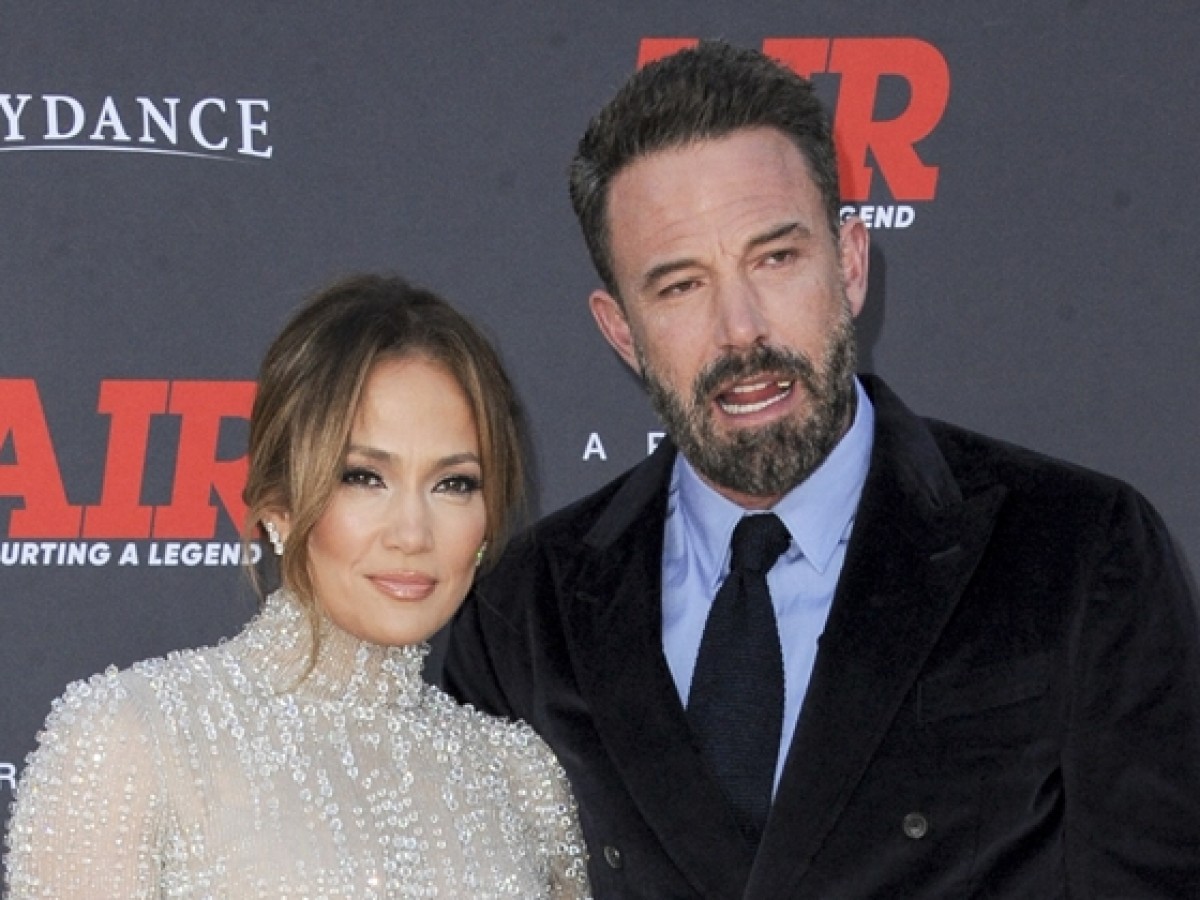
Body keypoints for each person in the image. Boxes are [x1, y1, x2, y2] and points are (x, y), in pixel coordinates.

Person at [443, 41, 1200, 898]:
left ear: (850, 263)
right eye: (681, 286)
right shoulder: (523, 615)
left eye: (776, 258)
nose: (741, 330)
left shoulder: (1076, 552)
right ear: (622, 331)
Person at [5, 275, 592, 898]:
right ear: (277, 505)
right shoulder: (133, 738)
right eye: (363, 477)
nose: (412, 533)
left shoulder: (520, 779)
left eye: (454, 484)